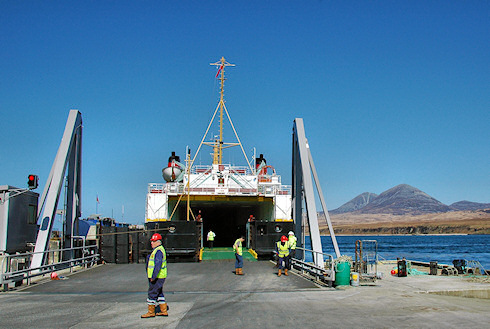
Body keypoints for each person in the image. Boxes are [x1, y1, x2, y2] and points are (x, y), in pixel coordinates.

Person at [141, 233, 168, 318]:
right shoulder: (157, 250)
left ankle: (151, 312)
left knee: (152, 293)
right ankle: (163, 310)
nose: (151, 243)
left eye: (153, 241)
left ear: (158, 242)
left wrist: (153, 276)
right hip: (159, 276)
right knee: (159, 293)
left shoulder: (158, 251)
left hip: (157, 277)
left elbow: (157, 265)